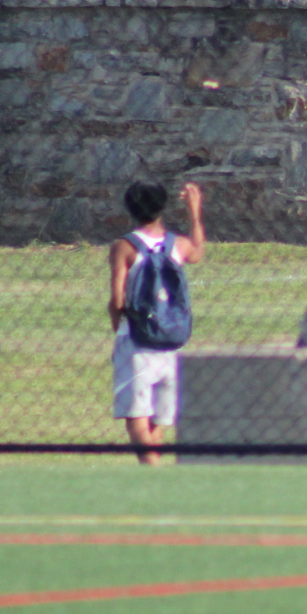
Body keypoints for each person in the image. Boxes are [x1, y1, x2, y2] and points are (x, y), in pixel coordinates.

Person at [108, 181, 204, 465]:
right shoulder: (178, 244)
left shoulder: (124, 246)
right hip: (171, 340)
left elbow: (117, 300)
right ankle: (156, 472)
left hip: (137, 340)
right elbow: (198, 251)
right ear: (163, 207)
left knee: (136, 417)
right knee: (156, 421)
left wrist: (117, 326)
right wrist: (194, 213)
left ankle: (152, 472)